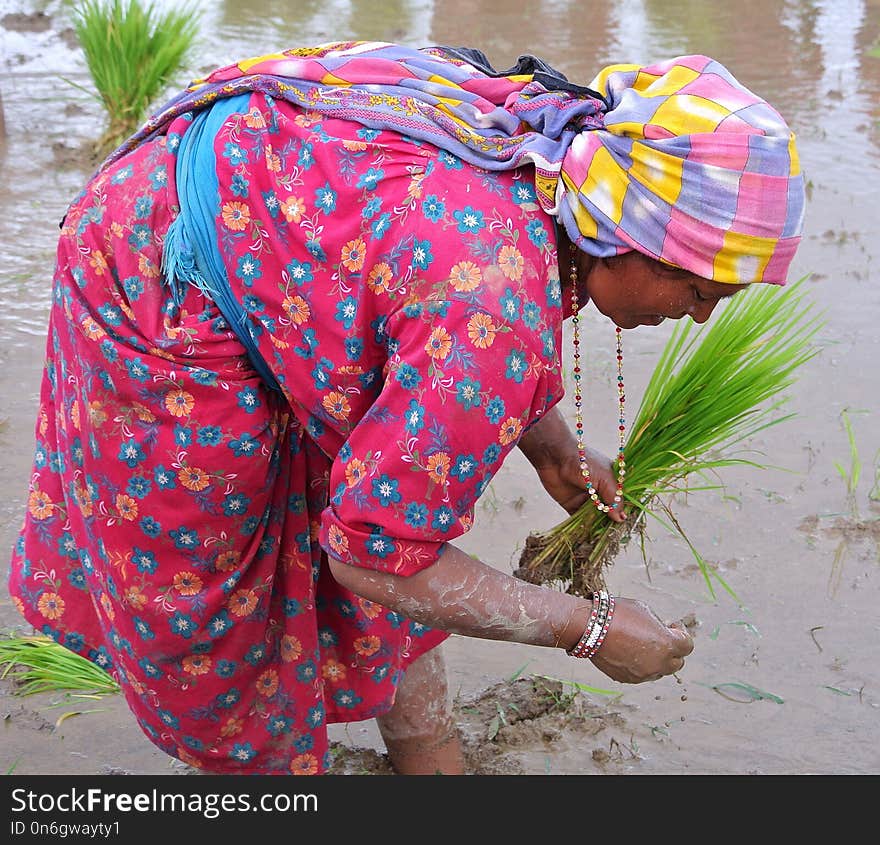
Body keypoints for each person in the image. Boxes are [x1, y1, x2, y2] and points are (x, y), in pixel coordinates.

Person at [7, 41, 804, 775]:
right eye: (697, 289)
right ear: (630, 230)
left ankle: (432, 760)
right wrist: (587, 627)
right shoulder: (497, 299)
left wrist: (552, 447)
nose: (699, 315)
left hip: (272, 236)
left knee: (388, 491)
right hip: (155, 263)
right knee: (229, 586)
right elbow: (378, 552)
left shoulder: (554, 161)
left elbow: (419, 311)